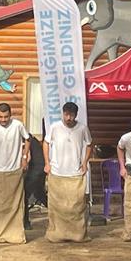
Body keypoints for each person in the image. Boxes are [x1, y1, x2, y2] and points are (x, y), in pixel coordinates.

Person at [43, 103, 93, 243]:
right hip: (57, 172)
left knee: (76, 207)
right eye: (66, 114)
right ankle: (56, 234)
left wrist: (85, 162)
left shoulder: (82, 128)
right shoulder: (55, 127)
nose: (68, 118)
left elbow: (89, 144)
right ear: (63, 113)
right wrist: (47, 162)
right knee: (57, 207)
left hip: (75, 173)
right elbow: (46, 143)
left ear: (76, 115)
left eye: (71, 115)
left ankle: (77, 235)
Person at [0, 103, 30, 244]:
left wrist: (24, 158)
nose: (3, 120)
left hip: (14, 169)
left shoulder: (18, 125)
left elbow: (27, 139)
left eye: (6, 117)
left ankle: (14, 234)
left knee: (14, 205)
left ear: (10, 115)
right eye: (0, 117)